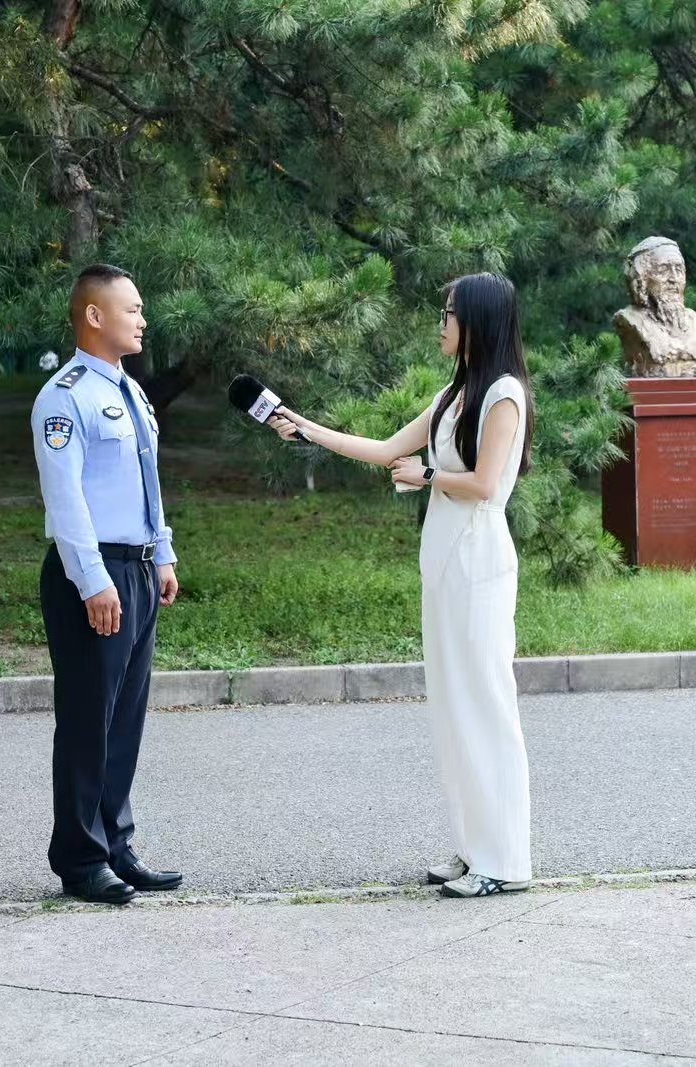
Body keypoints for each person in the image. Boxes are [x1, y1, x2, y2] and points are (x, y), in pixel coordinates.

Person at [268, 272, 536, 897]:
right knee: (451, 707)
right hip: (443, 558)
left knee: (485, 704)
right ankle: (473, 849)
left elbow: (485, 484)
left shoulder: (504, 394)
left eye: (449, 313)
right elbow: (386, 448)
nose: (441, 323)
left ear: (477, 319)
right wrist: (304, 427)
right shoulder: (455, 393)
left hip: (478, 559)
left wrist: (426, 476)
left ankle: (504, 862)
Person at [30, 264, 184, 904]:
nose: (143, 320)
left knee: (124, 720)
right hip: (92, 573)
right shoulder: (64, 397)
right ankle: (80, 858)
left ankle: (116, 846)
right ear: (95, 316)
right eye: (133, 309)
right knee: (88, 720)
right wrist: (93, 581)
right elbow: (65, 500)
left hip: (138, 568)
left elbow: (147, 482)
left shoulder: (130, 393)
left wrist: (162, 553)